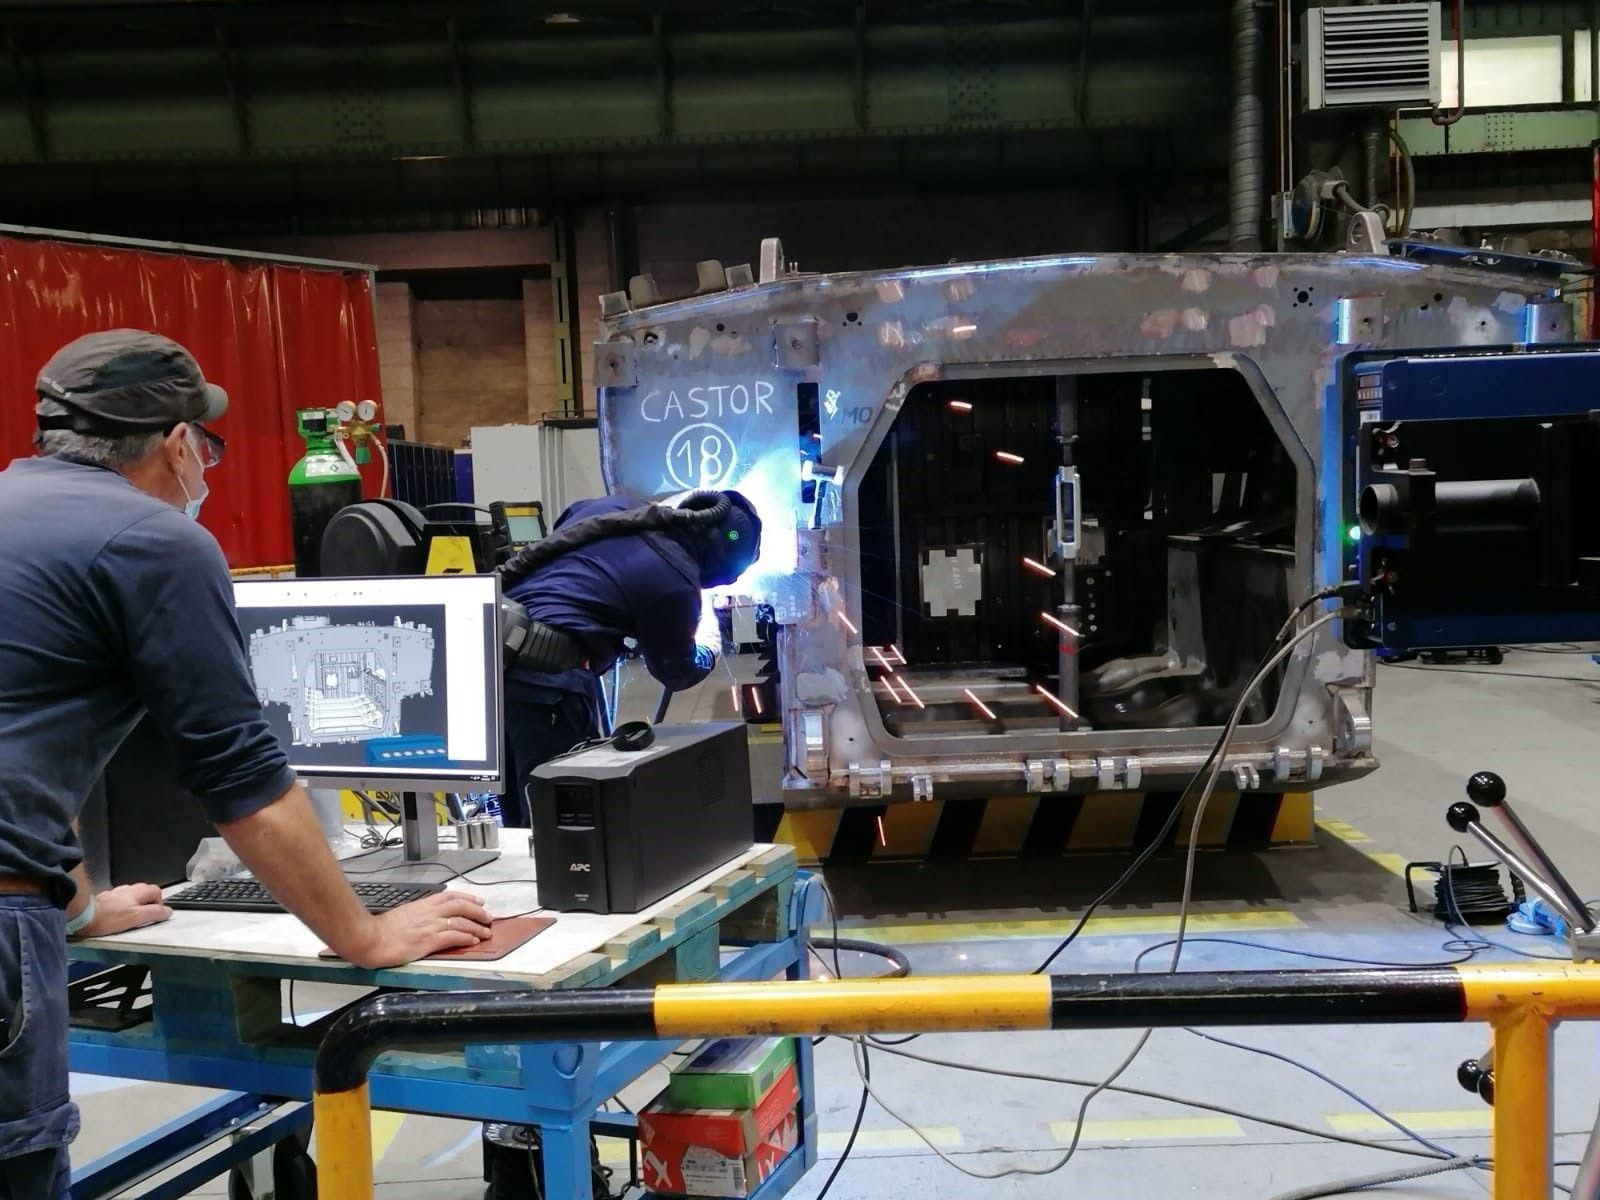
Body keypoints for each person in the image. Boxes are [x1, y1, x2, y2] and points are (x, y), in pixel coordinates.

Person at [0, 329, 494, 1199]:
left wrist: (75, 907)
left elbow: (25, 743)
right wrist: (367, 934)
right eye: (208, 444)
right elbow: (243, 782)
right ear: (179, 443)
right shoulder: (150, 540)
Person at [497, 488, 763, 827]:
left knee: (516, 811)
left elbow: (572, 550)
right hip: (547, 683)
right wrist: (709, 642)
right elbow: (677, 672)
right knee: (553, 820)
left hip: (492, 661)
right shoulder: (675, 578)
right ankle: (546, 879)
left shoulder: (615, 507)